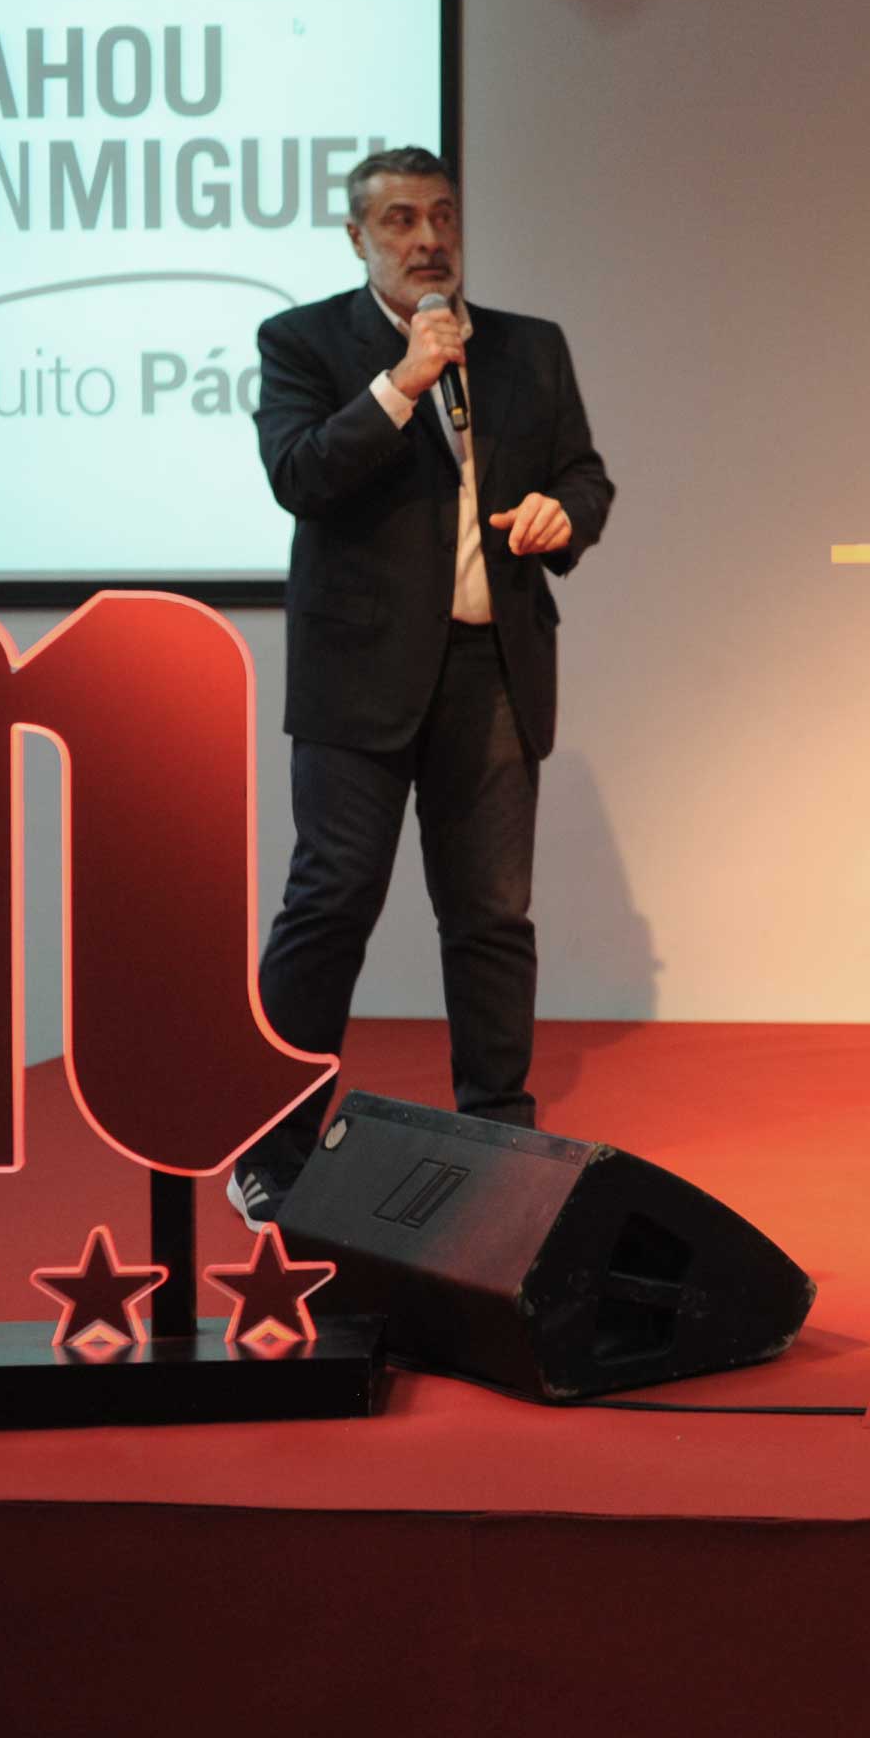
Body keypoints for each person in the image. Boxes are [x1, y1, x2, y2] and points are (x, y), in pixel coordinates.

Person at [230, 147, 615, 1227]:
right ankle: (271, 1143)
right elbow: (299, 474)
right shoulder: (304, 341)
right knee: (330, 904)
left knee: (491, 915)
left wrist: (565, 516)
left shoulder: (529, 347)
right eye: (400, 220)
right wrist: (402, 381)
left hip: (491, 667)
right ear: (358, 238)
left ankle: (501, 1134)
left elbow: (585, 475)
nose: (428, 238)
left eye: (442, 215)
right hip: (357, 677)